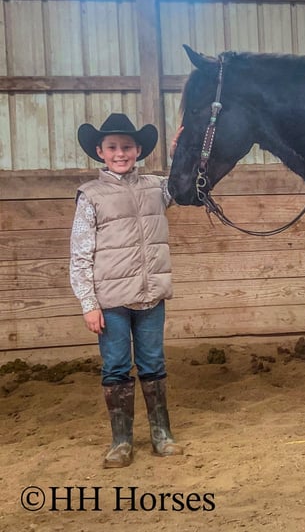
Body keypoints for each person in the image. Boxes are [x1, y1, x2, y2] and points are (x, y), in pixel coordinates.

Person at [69, 113, 183, 468]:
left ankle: (161, 434)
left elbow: (183, 186)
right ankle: (121, 441)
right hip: (111, 302)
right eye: (113, 147)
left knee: (153, 363)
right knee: (116, 366)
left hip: (150, 296)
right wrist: (88, 303)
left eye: (127, 147)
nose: (120, 153)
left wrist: (179, 153)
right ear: (100, 152)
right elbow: (80, 253)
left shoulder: (156, 187)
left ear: (138, 151)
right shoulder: (91, 196)